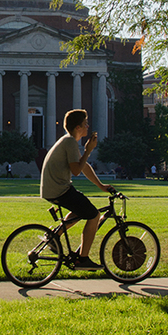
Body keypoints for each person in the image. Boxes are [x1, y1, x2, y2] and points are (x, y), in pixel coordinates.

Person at [40, 109, 113, 270]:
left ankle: (54, 236)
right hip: (59, 189)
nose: (88, 126)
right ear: (78, 127)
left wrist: (101, 186)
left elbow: (83, 166)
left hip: (54, 189)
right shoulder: (70, 142)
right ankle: (83, 259)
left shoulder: (68, 141)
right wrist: (88, 150)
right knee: (94, 215)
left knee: (82, 209)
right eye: (85, 124)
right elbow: (76, 170)